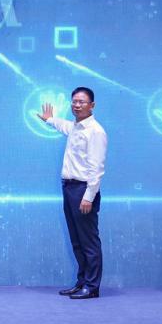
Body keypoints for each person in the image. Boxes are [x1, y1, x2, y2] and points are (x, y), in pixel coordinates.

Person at [36, 87, 108, 299]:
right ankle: (82, 282)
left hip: (83, 190)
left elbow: (97, 169)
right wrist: (50, 119)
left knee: (88, 241)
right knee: (77, 240)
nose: (77, 105)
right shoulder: (76, 126)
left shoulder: (96, 131)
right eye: (74, 101)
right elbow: (63, 125)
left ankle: (92, 287)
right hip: (69, 188)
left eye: (81, 102)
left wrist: (88, 196)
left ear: (92, 105)